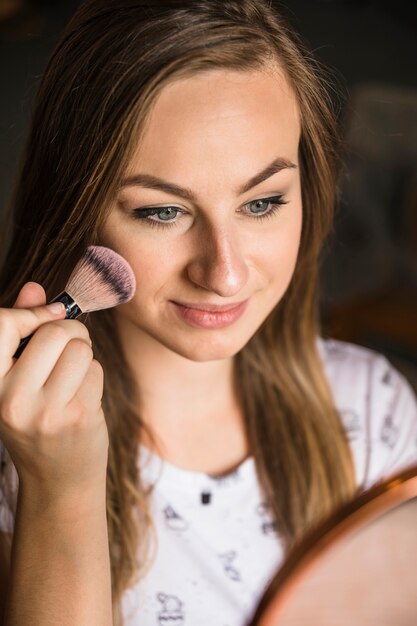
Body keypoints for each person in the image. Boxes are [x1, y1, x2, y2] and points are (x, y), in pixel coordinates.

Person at [0, 1, 416, 625]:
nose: (223, 273)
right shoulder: (18, 456)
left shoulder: (373, 411)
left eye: (262, 202)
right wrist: (62, 490)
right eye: (162, 212)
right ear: (74, 208)